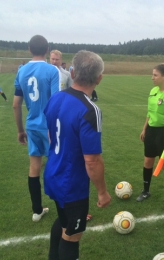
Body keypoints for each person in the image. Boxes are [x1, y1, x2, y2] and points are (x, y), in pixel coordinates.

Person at [44, 50, 111, 260]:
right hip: (71, 185)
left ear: (72, 72)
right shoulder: (90, 110)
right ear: (99, 79)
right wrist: (102, 192)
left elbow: (49, 136)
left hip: (54, 174)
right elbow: (92, 160)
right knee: (72, 235)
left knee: (64, 223)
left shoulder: (56, 97)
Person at [13, 35, 60, 222]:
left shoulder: (21, 71)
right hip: (49, 127)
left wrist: (20, 130)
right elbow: (56, 103)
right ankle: (64, 211)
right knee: (57, 167)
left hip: (31, 126)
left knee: (34, 167)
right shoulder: (52, 70)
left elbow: (16, 105)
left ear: (29, 49)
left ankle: (37, 210)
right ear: (47, 49)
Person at [136, 63, 164, 203]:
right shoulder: (153, 91)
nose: (152, 78)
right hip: (151, 130)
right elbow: (149, 113)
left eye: (155, 75)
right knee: (148, 161)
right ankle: (145, 191)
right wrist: (145, 129)